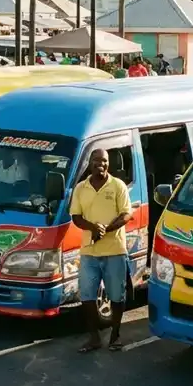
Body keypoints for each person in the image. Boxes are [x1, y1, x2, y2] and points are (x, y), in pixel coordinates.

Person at [71, 148, 133, 353]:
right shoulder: (81, 188)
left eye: (105, 161)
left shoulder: (118, 186)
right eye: (97, 160)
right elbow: (76, 218)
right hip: (89, 252)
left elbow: (126, 214)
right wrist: (93, 227)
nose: (102, 164)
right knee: (87, 296)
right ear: (90, 163)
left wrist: (106, 229)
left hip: (115, 250)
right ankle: (94, 337)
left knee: (117, 296)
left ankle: (115, 335)